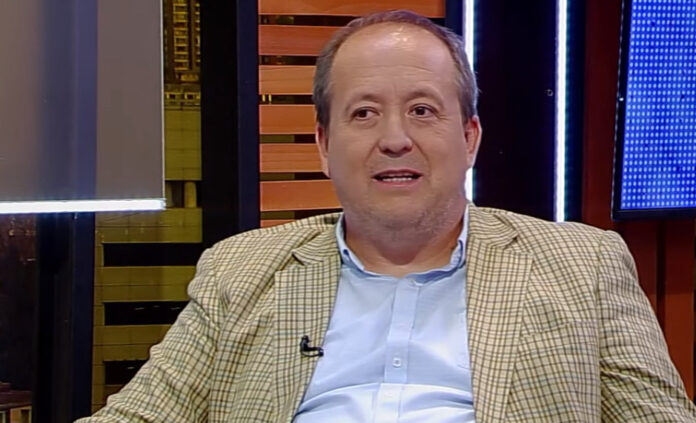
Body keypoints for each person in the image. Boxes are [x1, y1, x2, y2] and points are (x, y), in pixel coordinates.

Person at [79, 10, 696, 423]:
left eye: (423, 111)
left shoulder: (583, 264)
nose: (395, 139)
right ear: (324, 145)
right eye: (364, 114)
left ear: (470, 137)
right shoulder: (240, 271)